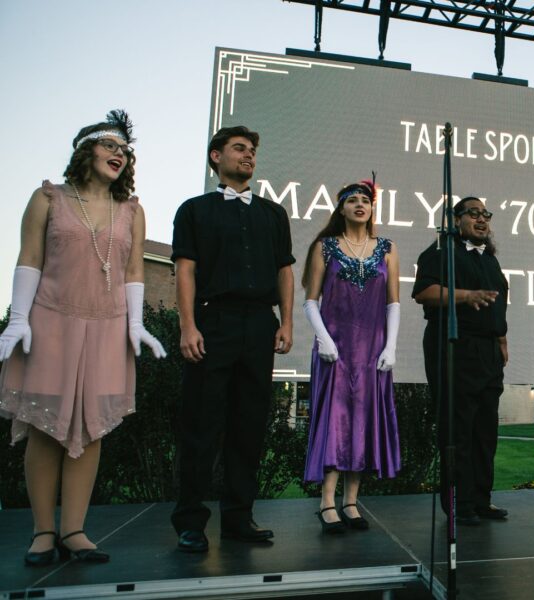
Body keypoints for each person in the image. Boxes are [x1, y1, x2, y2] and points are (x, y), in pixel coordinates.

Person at [0, 110, 166, 566]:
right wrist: (18, 319)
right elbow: (29, 257)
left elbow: (134, 271)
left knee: (91, 429)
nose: (120, 154)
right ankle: (42, 531)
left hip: (108, 325)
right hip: (52, 321)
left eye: (125, 150)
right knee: (45, 426)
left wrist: (135, 324)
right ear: (85, 149)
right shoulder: (48, 198)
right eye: (110, 145)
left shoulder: (131, 210)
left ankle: (74, 530)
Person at [170, 126, 295, 552]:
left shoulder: (273, 213)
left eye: (252, 151)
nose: (248, 156)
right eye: (239, 149)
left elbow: (284, 270)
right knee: (201, 426)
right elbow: (184, 269)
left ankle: (239, 518)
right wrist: (188, 326)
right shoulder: (194, 210)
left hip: (259, 325)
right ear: (215, 157)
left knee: (249, 426)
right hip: (213, 322)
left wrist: (287, 322)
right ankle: (190, 522)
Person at [301, 178, 401, 533]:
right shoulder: (325, 247)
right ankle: (327, 501)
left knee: (364, 420)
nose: (360, 205)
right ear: (341, 207)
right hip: (335, 348)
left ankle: (351, 501)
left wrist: (390, 346)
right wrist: (323, 339)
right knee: (334, 419)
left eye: (366, 200)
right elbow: (311, 300)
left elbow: (393, 302)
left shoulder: (386, 248)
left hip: (372, 349)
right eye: (353, 200)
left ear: (372, 209)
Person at [412, 196, 509, 526]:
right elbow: (423, 292)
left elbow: (497, 304)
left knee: (486, 431)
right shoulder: (442, 251)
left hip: (488, 352)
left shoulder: (491, 260)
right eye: (473, 213)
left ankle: (482, 500)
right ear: (456, 220)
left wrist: (501, 339)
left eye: (486, 214)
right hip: (453, 346)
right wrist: (466, 296)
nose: (481, 219)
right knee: (459, 429)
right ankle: (459, 504)